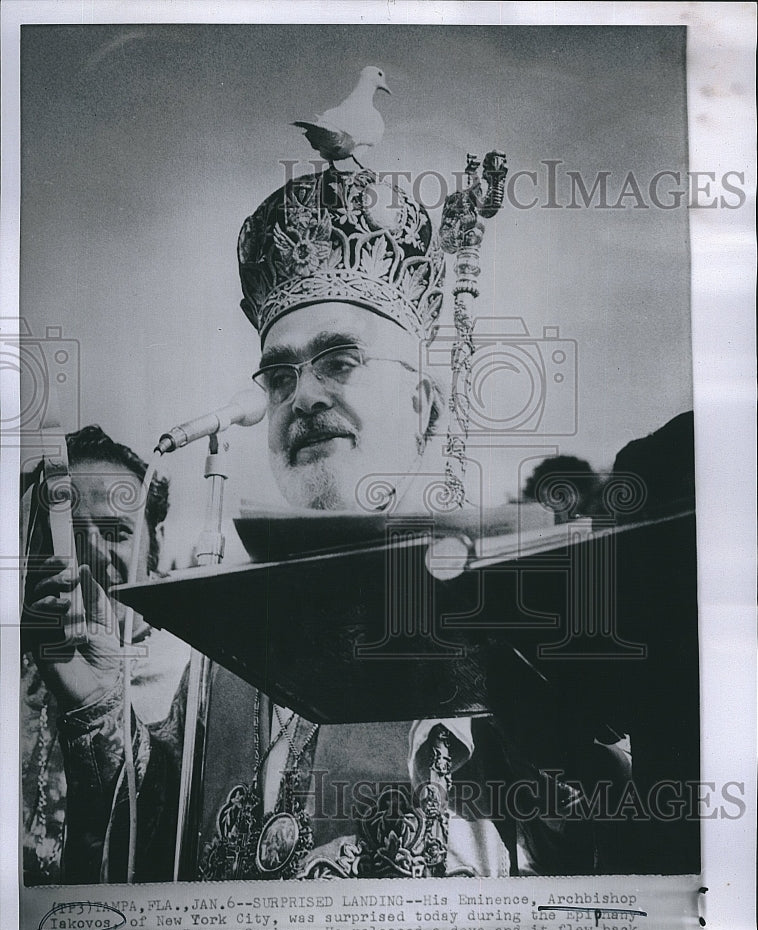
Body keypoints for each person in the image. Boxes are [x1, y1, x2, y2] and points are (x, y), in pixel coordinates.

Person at [32, 169, 629, 882]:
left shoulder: (509, 606)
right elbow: (158, 847)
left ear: (424, 409)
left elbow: (600, 856)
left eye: (340, 362)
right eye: (279, 377)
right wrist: (96, 709)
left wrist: (553, 750)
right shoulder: (227, 633)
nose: (304, 394)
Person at [21, 425, 185, 884]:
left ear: (156, 543)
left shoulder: (199, 679)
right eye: (67, 535)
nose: (89, 556)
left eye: (116, 532)